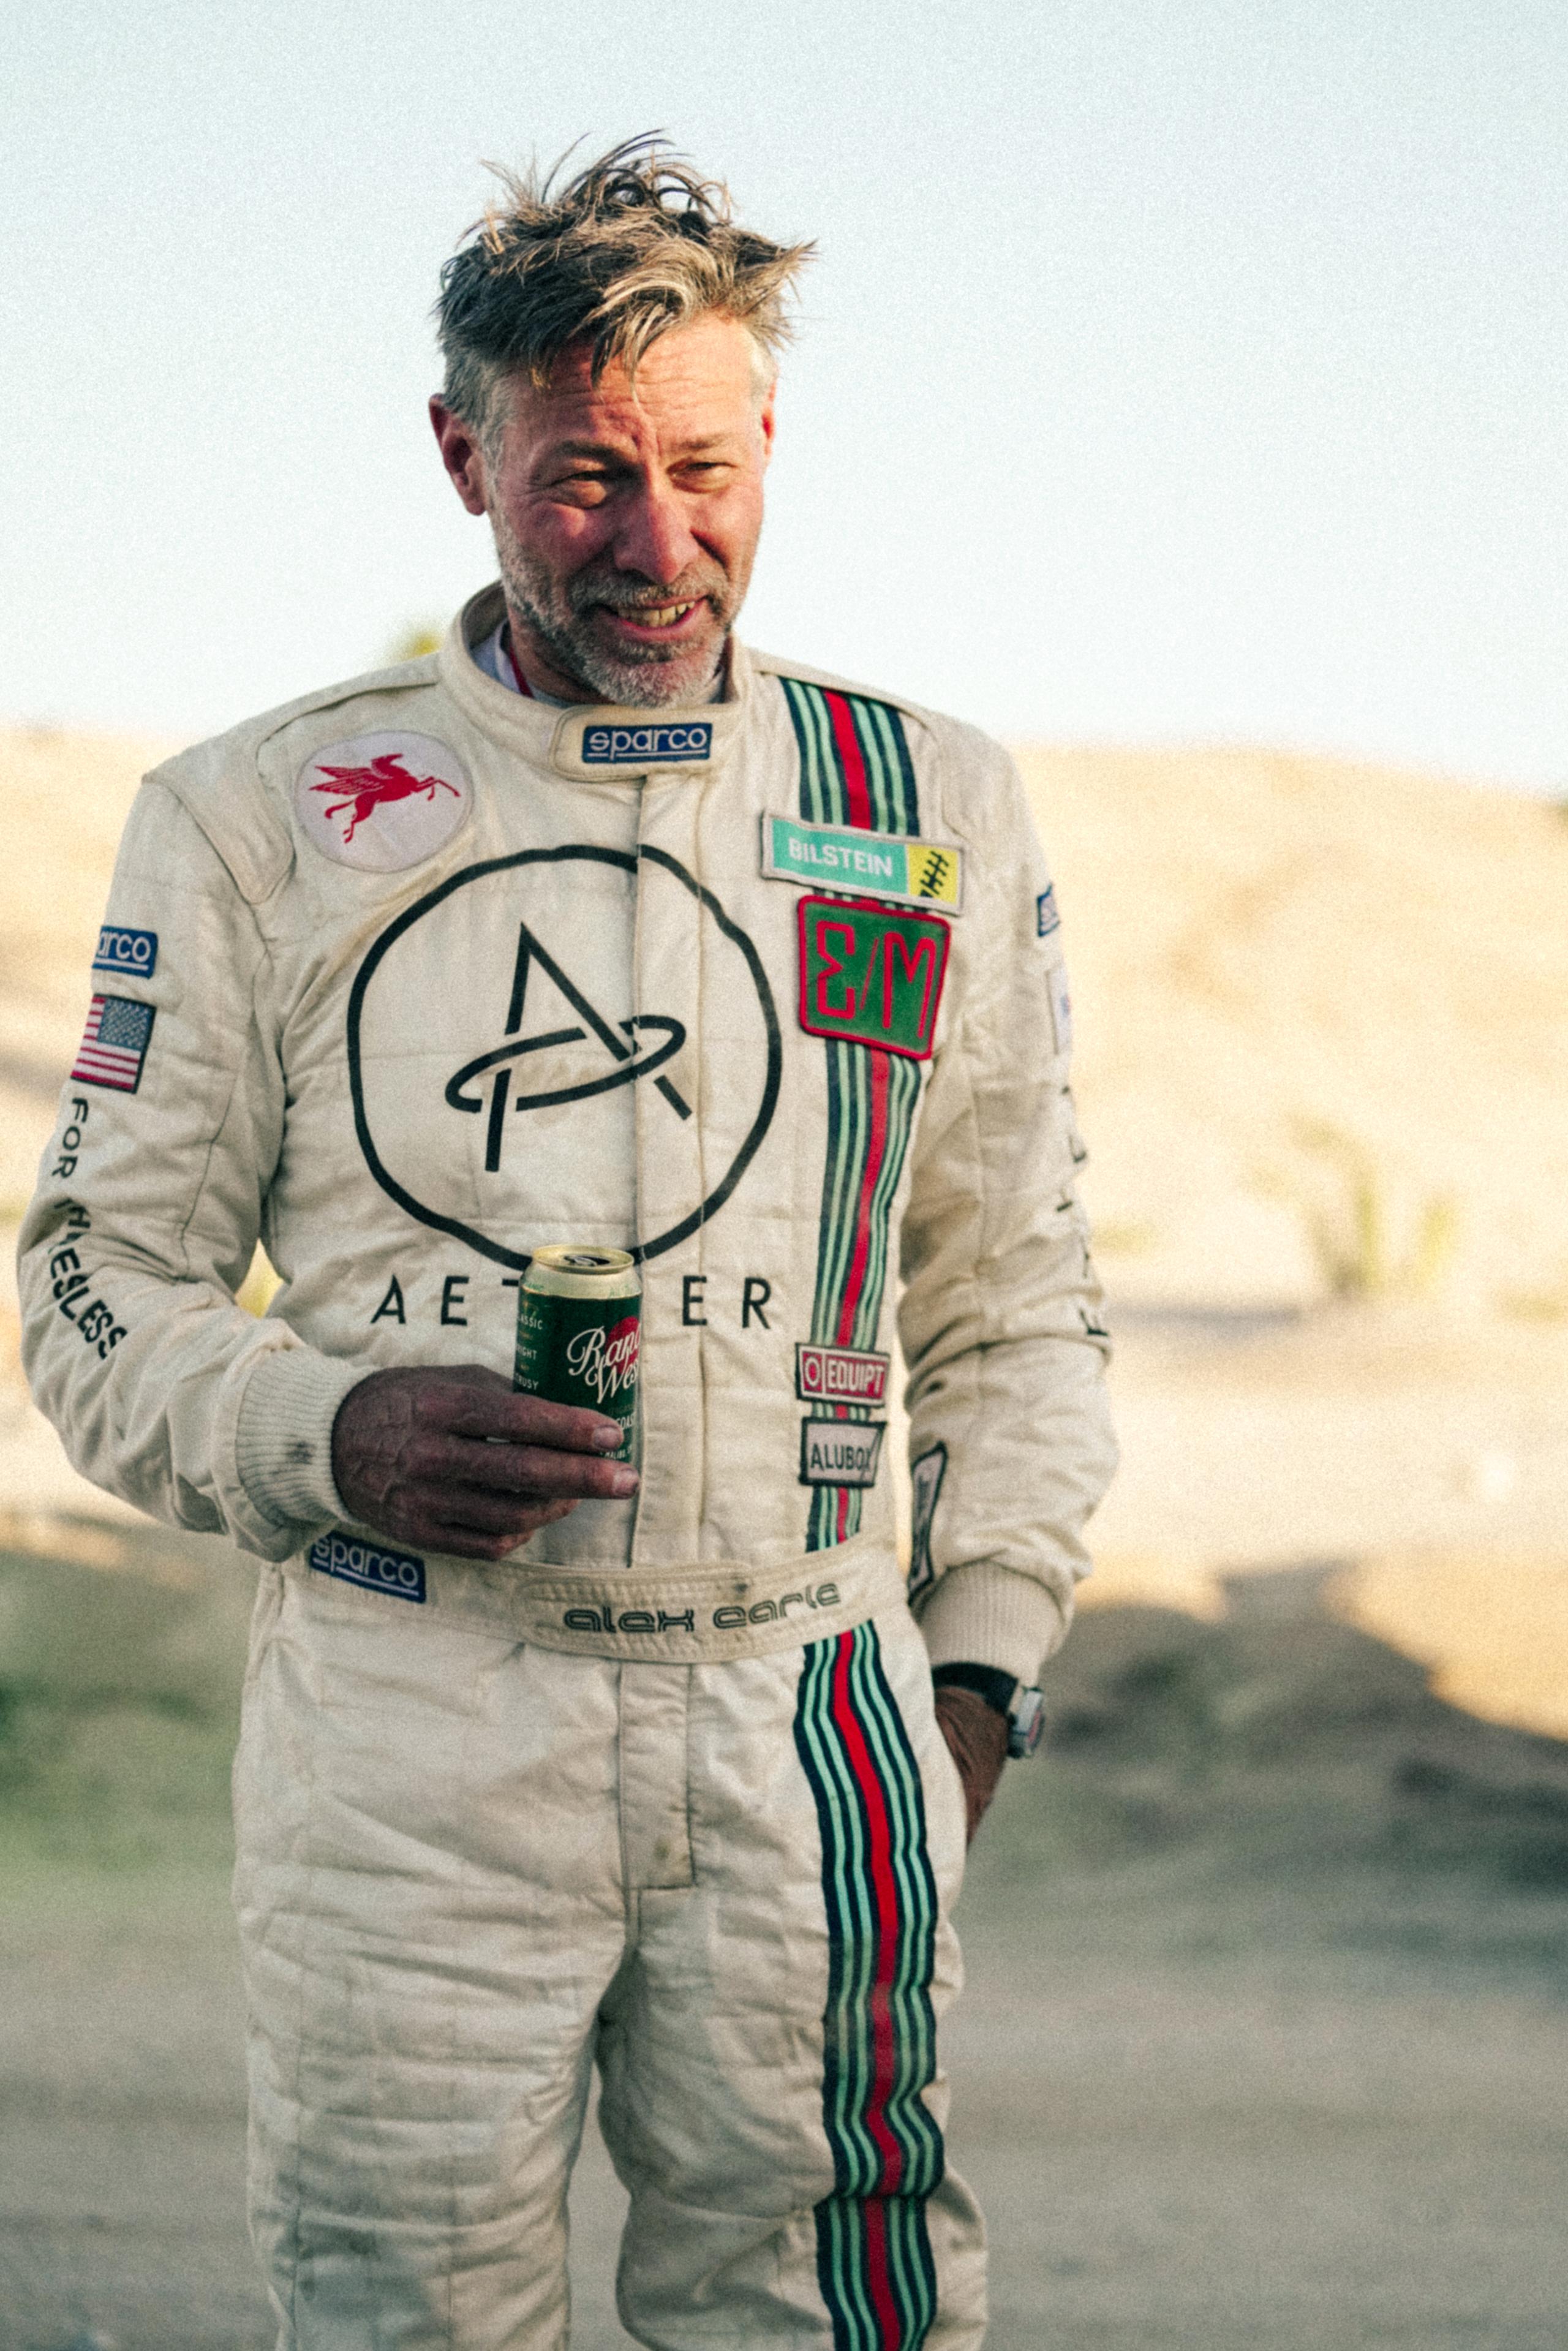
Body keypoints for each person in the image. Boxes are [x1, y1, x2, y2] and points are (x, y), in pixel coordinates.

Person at [19, 138, 1116, 2350]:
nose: (656, 538)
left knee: (838, 2311)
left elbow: (1013, 1290)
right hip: (415, 1719)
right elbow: (86, 1283)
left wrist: (978, 1666)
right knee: (403, 2311)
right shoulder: (257, 817)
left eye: (704, 466)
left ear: (772, 442)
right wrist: (321, 1426)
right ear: (463, 455)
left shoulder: (922, 810)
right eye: (584, 476)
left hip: (814, 1710)